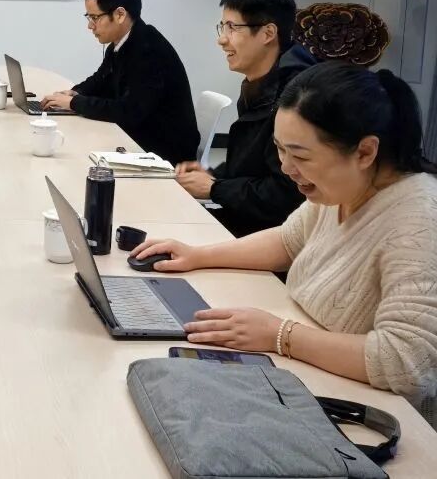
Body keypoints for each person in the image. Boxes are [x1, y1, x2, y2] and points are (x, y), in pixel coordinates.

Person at [133, 62, 437, 427]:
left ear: (365, 152)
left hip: (368, 414)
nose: (287, 168)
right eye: (280, 150)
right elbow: (287, 240)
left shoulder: (419, 219)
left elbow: (405, 362)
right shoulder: (343, 188)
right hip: (309, 376)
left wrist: (280, 335)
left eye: (301, 156)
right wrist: (198, 255)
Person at [176, 0, 316, 237]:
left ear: (268, 33)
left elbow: (287, 196)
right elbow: (252, 167)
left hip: (275, 237)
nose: (222, 39)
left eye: (233, 27)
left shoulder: (297, 97)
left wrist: (214, 188)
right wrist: (212, 175)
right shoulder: (261, 83)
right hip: (248, 222)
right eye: (222, 27)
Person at [40, 0, 199, 165]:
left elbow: (129, 111)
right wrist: (75, 92)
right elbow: (101, 79)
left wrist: (74, 103)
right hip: (140, 137)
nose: (90, 26)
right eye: (88, 17)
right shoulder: (123, 42)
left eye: (95, 18)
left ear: (120, 14)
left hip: (164, 153)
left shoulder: (149, 51)